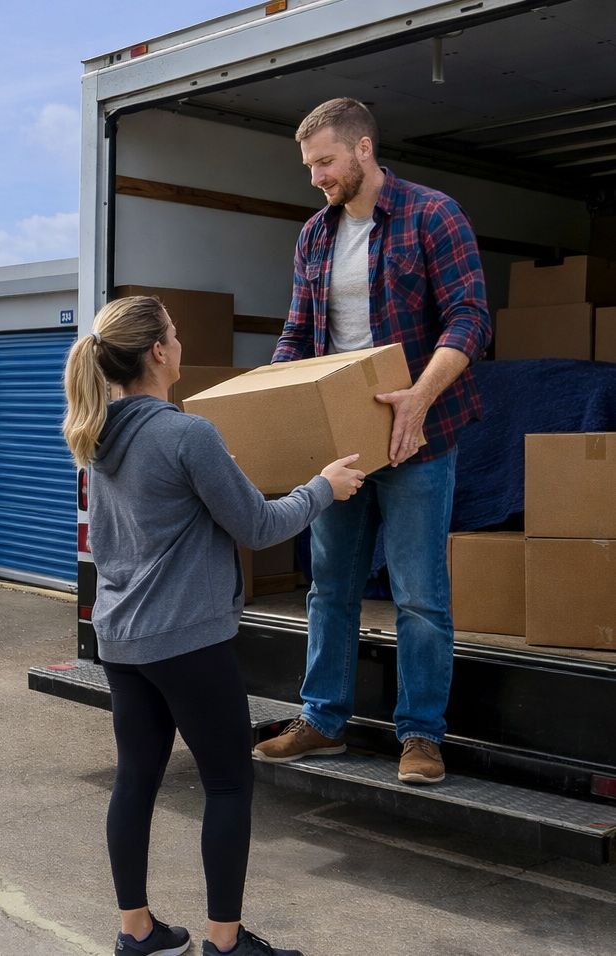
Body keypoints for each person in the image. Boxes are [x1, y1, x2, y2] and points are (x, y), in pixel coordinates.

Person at [63, 295, 364, 956]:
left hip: (122, 640)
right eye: (173, 333)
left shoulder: (96, 433)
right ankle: (225, 945)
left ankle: (136, 931)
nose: (178, 342)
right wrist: (322, 487)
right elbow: (258, 525)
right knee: (228, 782)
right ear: (158, 354)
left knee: (135, 778)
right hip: (187, 642)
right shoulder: (186, 433)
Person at [254, 98, 493, 785]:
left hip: (422, 430)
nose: (316, 178)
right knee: (330, 586)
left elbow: (470, 319)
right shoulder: (314, 237)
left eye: (324, 162)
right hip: (343, 441)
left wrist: (419, 396)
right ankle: (322, 722)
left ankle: (420, 736)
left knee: (420, 593)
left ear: (362, 150)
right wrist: (272, 406)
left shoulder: (431, 214)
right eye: (309, 166)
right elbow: (299, 338)